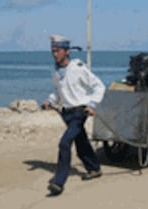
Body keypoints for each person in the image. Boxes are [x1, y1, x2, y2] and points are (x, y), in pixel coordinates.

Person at [42, 34, 106, 196]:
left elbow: (99, 86)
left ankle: (58, 181)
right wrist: (50, 101)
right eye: (53, 51)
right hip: (66, 113)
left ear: (67, 51)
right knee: (81, 142)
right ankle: (94, 169)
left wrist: (92, 104)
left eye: (57, 50)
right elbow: (59, 91)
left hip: (80, 112)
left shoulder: (77, 68)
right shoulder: (56, 71)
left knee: (65, 143)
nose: (54, 54)